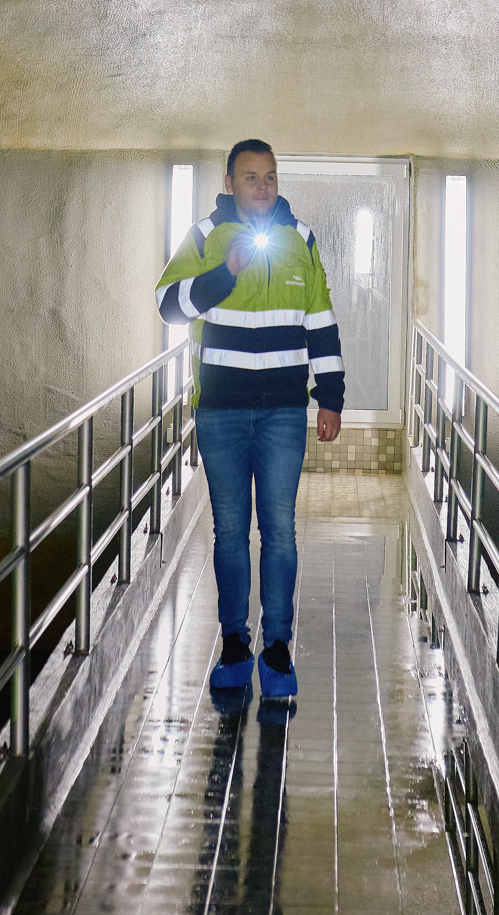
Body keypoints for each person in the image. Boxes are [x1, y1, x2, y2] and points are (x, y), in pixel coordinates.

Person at [156, 139, 343, 698]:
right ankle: (235, 642)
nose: (261, 186)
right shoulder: (204, 236)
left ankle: (278, 649)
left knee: (280, 532)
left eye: (269, 176)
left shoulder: (300, 239)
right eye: (250, 177)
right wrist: (223, 274)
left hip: (286, 410)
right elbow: (168, 306)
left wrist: (330, 395)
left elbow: (321, 322)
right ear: (230, 182)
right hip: (222, 411)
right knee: (231, 531)